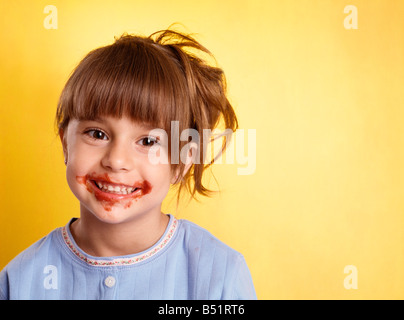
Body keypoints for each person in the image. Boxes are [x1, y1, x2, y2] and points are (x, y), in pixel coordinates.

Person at [0, 29, 256, 300]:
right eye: (97, 134)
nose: (116, 161)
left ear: (182, 162)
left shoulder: (220, 275)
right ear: (66, 143)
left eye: (147, 141)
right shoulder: (20, 280)